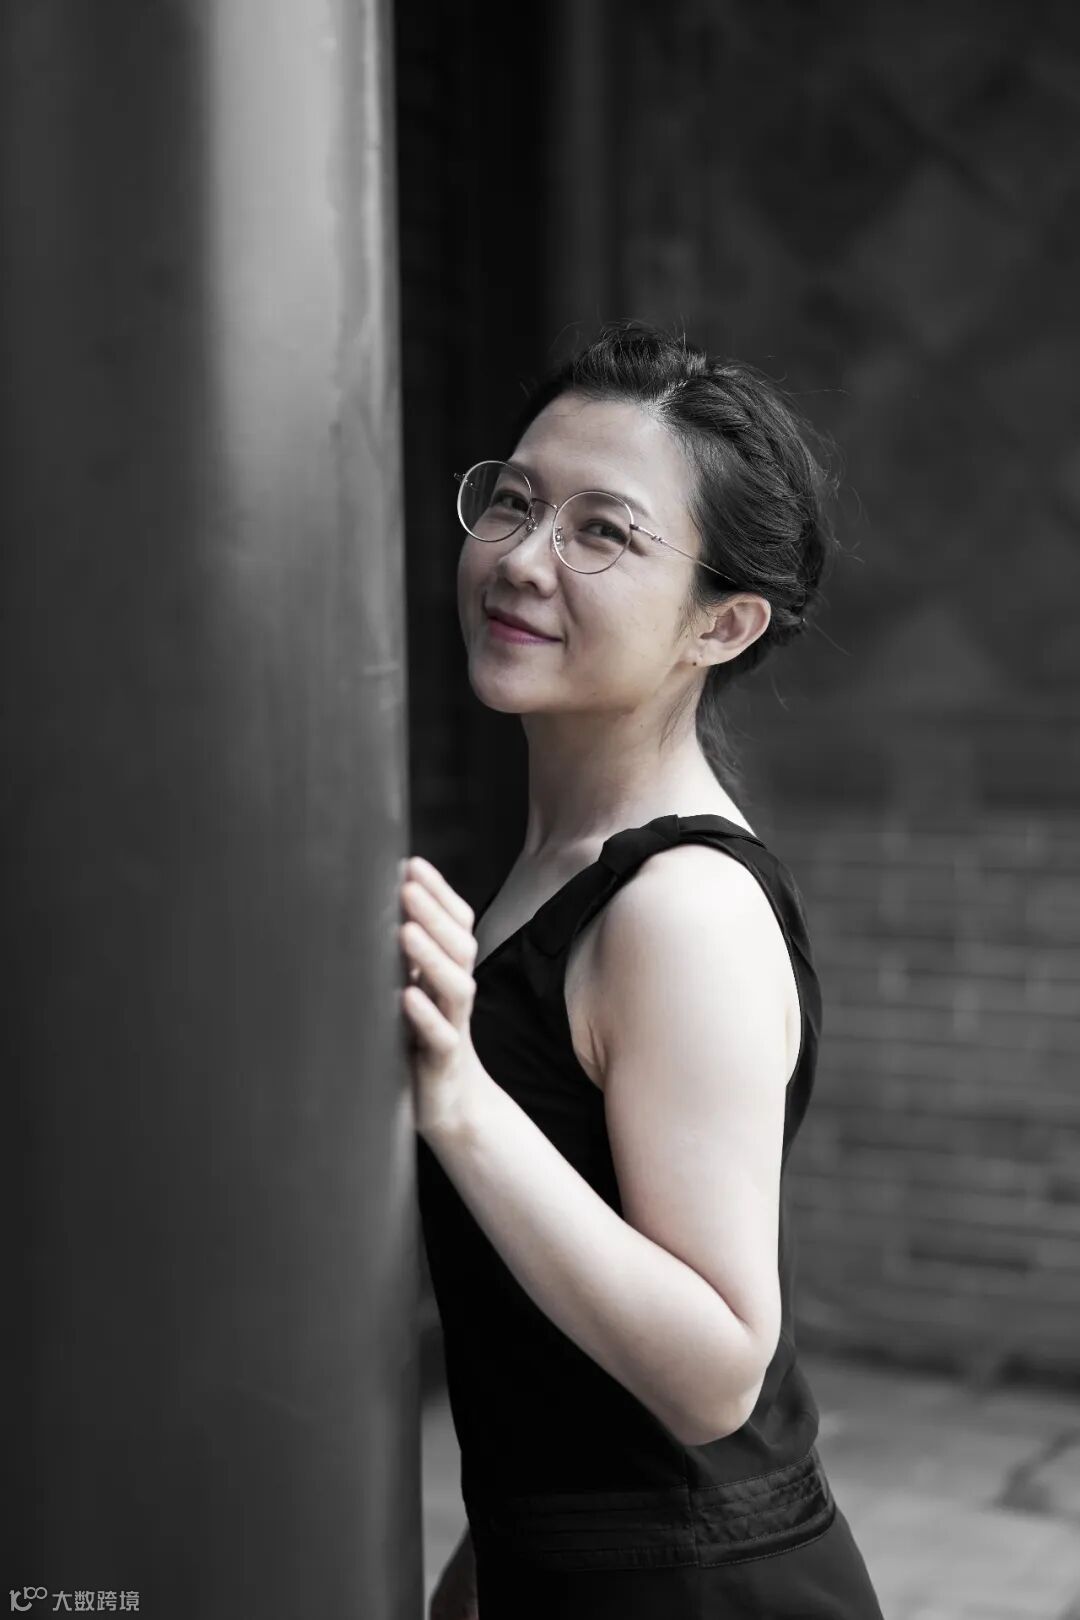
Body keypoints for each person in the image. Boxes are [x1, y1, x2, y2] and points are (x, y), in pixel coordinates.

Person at [401, 320, 884, 1618]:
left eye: (602, 532)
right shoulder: (558, 864)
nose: (521, 558)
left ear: (721, 624)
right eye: (515, 501)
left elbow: (719, 1371)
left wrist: (457, 1103)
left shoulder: (682, 909)